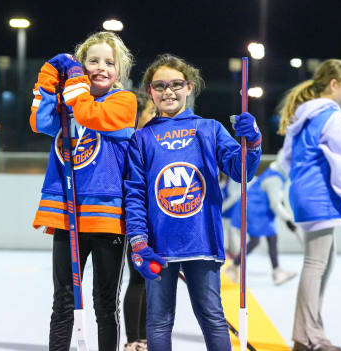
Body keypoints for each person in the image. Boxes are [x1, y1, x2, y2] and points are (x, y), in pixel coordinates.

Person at [124, 54, 262, 351]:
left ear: (189, 87)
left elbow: (241, 172)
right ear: (150, 91)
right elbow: (134, 194)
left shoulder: (209, 129)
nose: (168, 91)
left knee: (212, 317)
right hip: (158, 245)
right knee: (158, 320)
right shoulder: (141, 138)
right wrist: (138, 242)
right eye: (159, 86)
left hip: (201, 241)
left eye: (176, 84)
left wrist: (252, 143)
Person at [29, 31, 136, 351]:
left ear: (120, 71)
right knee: (62, 300)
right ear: (81, 65)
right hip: (67, 212)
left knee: (105, 303)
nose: (101, 67)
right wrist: (48, 79)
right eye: (92, 61)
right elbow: (39, 121)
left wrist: (74, 83)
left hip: (106, 215)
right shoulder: (69, 100)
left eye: (109, 62)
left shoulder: (123, 101)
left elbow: (93, 115)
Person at [277, 59, 341, 351]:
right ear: (334, 85)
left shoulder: (302, 117)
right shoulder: (334, 118)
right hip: (318, 197)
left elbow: (285, 161)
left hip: (305, 195)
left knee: (324, 264)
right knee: (316, 265)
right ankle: (308, 339)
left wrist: (310, 186)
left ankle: (309, 334)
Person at [223, 149, 299, 286]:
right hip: (254, 211)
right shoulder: (275, 178)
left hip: (254, 209)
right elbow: (275, 204)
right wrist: (289, 221)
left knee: (256, 241)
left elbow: (276, 198)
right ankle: (277, 272)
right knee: (271, 237)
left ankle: (234, 266)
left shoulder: (275, 175)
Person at [123, 89, 155, 351]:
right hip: (134, 223)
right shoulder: (132, 142)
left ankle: (143, 337)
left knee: (147, 280)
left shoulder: (148, 140)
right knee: (137, 279)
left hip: (150, 220)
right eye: (150, 112)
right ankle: (134, 339)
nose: (155, 116)